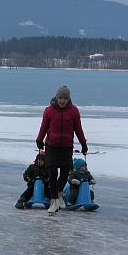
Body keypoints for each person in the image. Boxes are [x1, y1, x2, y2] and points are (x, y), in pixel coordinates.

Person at [35, 85, 88, 215]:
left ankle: (58, 193)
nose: (62, 101)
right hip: (51, 146)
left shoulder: (74, 111)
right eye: (60, 98)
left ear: (68, 98)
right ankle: (54, 201)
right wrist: (39, 139)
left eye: (64, 98)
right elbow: (44, 126)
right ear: (56, 97)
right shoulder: (49, 111)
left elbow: (78, 129)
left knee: (64, 174)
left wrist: (83, 143)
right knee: (52, 173)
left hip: (66, 147)